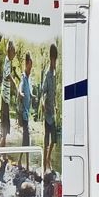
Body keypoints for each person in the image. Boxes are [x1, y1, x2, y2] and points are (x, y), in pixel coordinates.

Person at [39, 43, 59, 176]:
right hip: (47, 111)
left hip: (53, 111)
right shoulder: (47, 73)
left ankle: (47, 158)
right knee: (46, 138)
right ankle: (44, 164)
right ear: (51, 57)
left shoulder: (55, 72)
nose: (54, 61)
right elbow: (43, 91)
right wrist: (42, 104)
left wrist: (56, 104)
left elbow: (55, 92)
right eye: (53, 59)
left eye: (55, 59)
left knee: (55, 139)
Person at [0, 41, 16, 146]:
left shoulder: (9, 62)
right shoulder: (6, 61)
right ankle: (2, 152)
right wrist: (14, 82)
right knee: (5, 123)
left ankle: (2, 150)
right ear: (9, 51)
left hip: (6, 97)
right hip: (4, 97)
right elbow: (7, 74)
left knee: (6, 123)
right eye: (14, 51)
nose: (15, 54)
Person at [19, 51, 34, 169]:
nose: (31, 67)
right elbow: (20, 87)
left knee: (25, 138)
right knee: (27, 138)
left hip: (27, 114)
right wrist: (20, 92)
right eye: (30, 65)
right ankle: (27, 164)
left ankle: (20, 160)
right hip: (23, 113)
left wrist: (32, 96)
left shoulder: (29, 78)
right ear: (27, 63)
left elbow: (29, 92)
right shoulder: (23, 77)